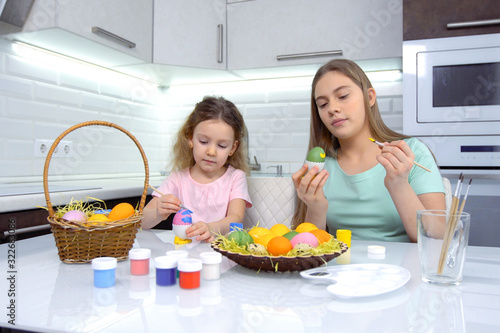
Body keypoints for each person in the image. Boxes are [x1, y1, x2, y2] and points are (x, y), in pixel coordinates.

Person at [292, 59, 445, 242]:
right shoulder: (319, 166)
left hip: (402, 269)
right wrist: (315, 208)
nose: (332, 108)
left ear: (370, 97)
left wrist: (399, 184)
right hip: (339, 269)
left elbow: (437, 238)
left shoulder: (411, 153)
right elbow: (307, 248)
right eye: (323, 104)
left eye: (342, 96)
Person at [143, 96, 252, 242]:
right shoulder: (177, 179)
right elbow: (142, 222)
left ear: (232, 148)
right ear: (190, 138)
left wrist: (210, 228)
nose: (211, 152)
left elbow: (236, 219)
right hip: (184, 256)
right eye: (204, 141)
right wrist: (157, 213)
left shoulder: (235, 177)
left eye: (222, 145)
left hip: (220, 254)